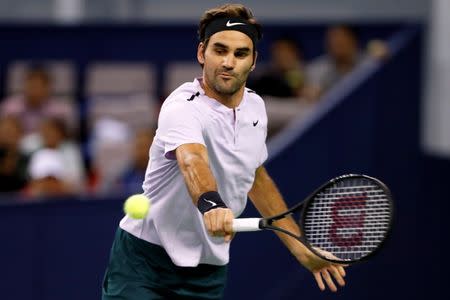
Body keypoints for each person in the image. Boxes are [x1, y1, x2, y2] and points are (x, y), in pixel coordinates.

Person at [102, 4, 346, 300]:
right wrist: (212, 204)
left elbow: (254, 176)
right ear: (202, 53)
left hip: (208, 270)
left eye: (240, 54)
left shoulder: (256, 108)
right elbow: (192, 160)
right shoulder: (182, 107)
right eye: (220, 50)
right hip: (144, 263)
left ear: (253, 61)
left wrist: (299, 248)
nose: (229, 62)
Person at [305, 24, 388, 101]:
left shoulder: (369, 63)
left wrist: (382, 57)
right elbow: (312, 94)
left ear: (353, 40)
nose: (336, 42)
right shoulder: (316, 69)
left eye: (342, 40)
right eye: (332, 40)